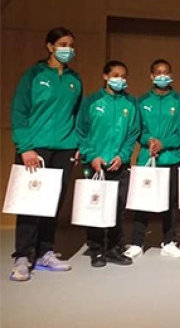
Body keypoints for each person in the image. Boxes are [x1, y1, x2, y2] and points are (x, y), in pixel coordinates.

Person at [9, 27, 82, 281]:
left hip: (64, 148)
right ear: (50, 47)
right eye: (62, 44)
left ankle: (45, 252)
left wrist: (77, 145)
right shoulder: (33, 75)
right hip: (35, 148)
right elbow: (19, 112)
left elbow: (77, 116)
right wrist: (25, 147)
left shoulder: (75, 79)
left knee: (53, 203)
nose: (68, 49)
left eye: (71, 44)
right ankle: (23, 256)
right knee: (31, 202)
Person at [77, 60, 140, 267]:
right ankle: (96, 249)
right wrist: (92, 156)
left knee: (117, 208)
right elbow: (82, 132)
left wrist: (122, 155)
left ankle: (114, 248)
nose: (119, 79)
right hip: (95, 163)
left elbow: (133, 134)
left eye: (123, 76)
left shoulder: (131, 103)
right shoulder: (92, 101)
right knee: (95, 206)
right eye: (115, 75)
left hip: (119, 165)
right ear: (105, 76)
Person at [124, 59, 180, 260]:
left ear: (172, 75)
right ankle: (136, 242)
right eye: (158, 72)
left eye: (166, 72)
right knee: (142, 202)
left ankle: (169, 241)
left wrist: (164, 143)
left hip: (172, 158)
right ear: (151, 76)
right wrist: (148, 140)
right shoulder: (141, 102)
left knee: (171, 203)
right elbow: (137, 131)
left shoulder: (179, 101)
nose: (162, 76)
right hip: (147, 160)